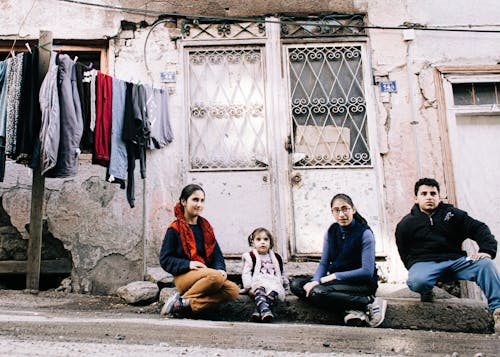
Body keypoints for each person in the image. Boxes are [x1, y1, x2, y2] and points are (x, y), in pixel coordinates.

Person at [395, 178, 500, 332]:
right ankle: (426, 290)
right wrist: (414, 267)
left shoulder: (452, 214)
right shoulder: (406, 224)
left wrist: (486, 250)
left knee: (485, 264)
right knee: (417, 281)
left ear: (439, 197)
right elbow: (403, 250)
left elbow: (479, 228)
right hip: (425, 264)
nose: (429, 197)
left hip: (456, 261)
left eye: (433, 193)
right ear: (416, 198)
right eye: (424, 193)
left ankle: (498, 311)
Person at [290, 193, 387, 327]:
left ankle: (368, 302)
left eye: (345, 209)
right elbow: (324, 263)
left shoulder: (365, 233)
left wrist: (333, 276)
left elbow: (367, 271)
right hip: (338, 283)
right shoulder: (331, 231)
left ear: (353, 210)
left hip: (360, 284)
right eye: (337, 210)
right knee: (297, 285)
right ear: (332, 213)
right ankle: (351, 309)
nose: (341, 214)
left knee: (318, 292)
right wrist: (315, 281)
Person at [159, 184, 239, 317]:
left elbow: (216, 255)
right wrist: (188, 264)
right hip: (184, 276)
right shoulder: (175, 229)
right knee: (215, 277)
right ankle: (183, 299)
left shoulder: (205, 227)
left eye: (202, 201)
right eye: (195, 200)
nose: (199, 204)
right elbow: (165, 259)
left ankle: (185, 303)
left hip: (205, 276)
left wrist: (220, 269)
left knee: (233, 290)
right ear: (184, 202)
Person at [241, 227, 289, 322]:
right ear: (253, 243)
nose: (262, 242)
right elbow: (246, 273)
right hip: (258, 282)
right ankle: (265, 310)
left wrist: (285, 285)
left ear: (270, 243)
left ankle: (260, 311)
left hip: (273, 282)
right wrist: (248, 287)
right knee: (260, 290)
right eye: (258, 239)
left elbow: (281, 272)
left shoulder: (276, 257)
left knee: (274, 292)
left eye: (266, 239)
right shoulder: (251, 257)